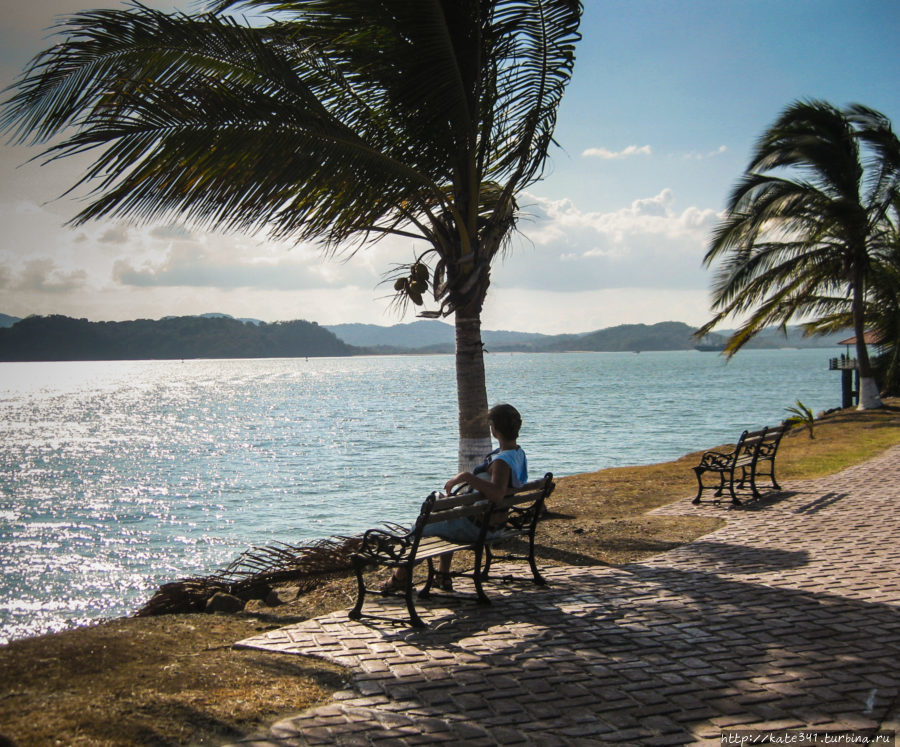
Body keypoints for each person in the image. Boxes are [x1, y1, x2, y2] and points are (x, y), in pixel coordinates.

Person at [382, 403, 527, 593]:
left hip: (481, 529)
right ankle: (442, 576)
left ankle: (399, 579)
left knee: (419, 528)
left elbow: (498, 494)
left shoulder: (501, 461)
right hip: (494, 524)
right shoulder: (518, 453)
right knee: (446, 512)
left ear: (495, 429)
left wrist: (466, 477)